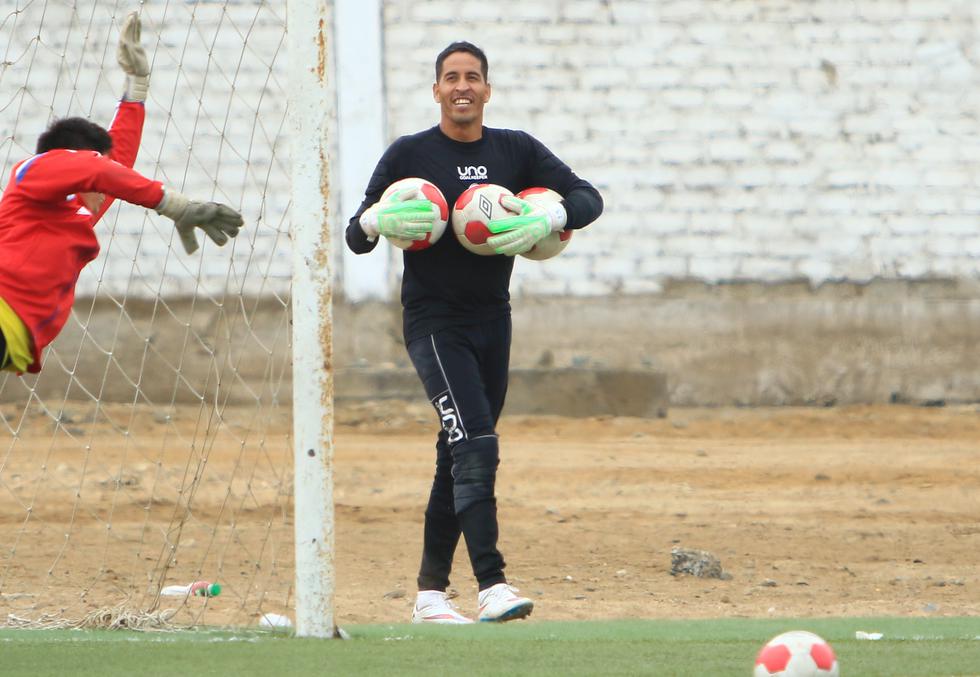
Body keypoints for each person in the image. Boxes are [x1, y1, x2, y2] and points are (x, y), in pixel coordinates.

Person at [346, 41, 603, 623]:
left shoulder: (515, 150)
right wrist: (373, 220)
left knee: (455, 452)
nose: (462, 87)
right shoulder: (409, 154)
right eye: (450, 78)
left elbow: (590, 198)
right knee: (478, 444)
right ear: (435, 89)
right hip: (435, 324)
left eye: (473, 78)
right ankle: (493, 584)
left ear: (487, 89)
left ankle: (430, 596)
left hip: (494, 320)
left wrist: (554, 215)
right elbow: (355, 236)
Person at [0, 12, 243, 374]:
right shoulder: (32, 174)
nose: (107, 183)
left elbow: (117, 163)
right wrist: (174, 205)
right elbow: (99, 168)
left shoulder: (76, 210)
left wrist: (137, 85)